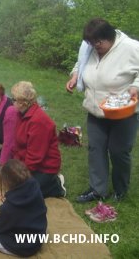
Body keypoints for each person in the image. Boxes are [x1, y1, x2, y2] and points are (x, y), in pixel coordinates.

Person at [65, 18, 139, 203]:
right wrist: (75, 75)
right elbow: (80, 62)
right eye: (91, 44)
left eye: (98, 43)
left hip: (123, 111)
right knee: (95, 149)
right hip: (96, 108)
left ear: (110, 37)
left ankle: (120, 190)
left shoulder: (131, 47)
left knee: (119, 151)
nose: (94, 47)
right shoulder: (91, 47)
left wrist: (136, 85)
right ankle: (98, 190)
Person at [0, 159, 47, 257]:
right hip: (37, 237)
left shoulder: (10, 207)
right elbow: (23, 211)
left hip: (22, 247)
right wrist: (7, 202)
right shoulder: (34, 185)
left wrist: (6, 205)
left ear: (7, 182)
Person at [11, 81, 66, 198]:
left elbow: (35, 157)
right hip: (27, 162)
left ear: (23, 103)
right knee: (10, 182)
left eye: (14, 99)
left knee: (23, 195)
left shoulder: (39, 121)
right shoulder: (21, 114)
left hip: (44, 168)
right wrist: (15, 167)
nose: (12, 102)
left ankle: (55, 185)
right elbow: (17, 145)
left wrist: (21, 174)